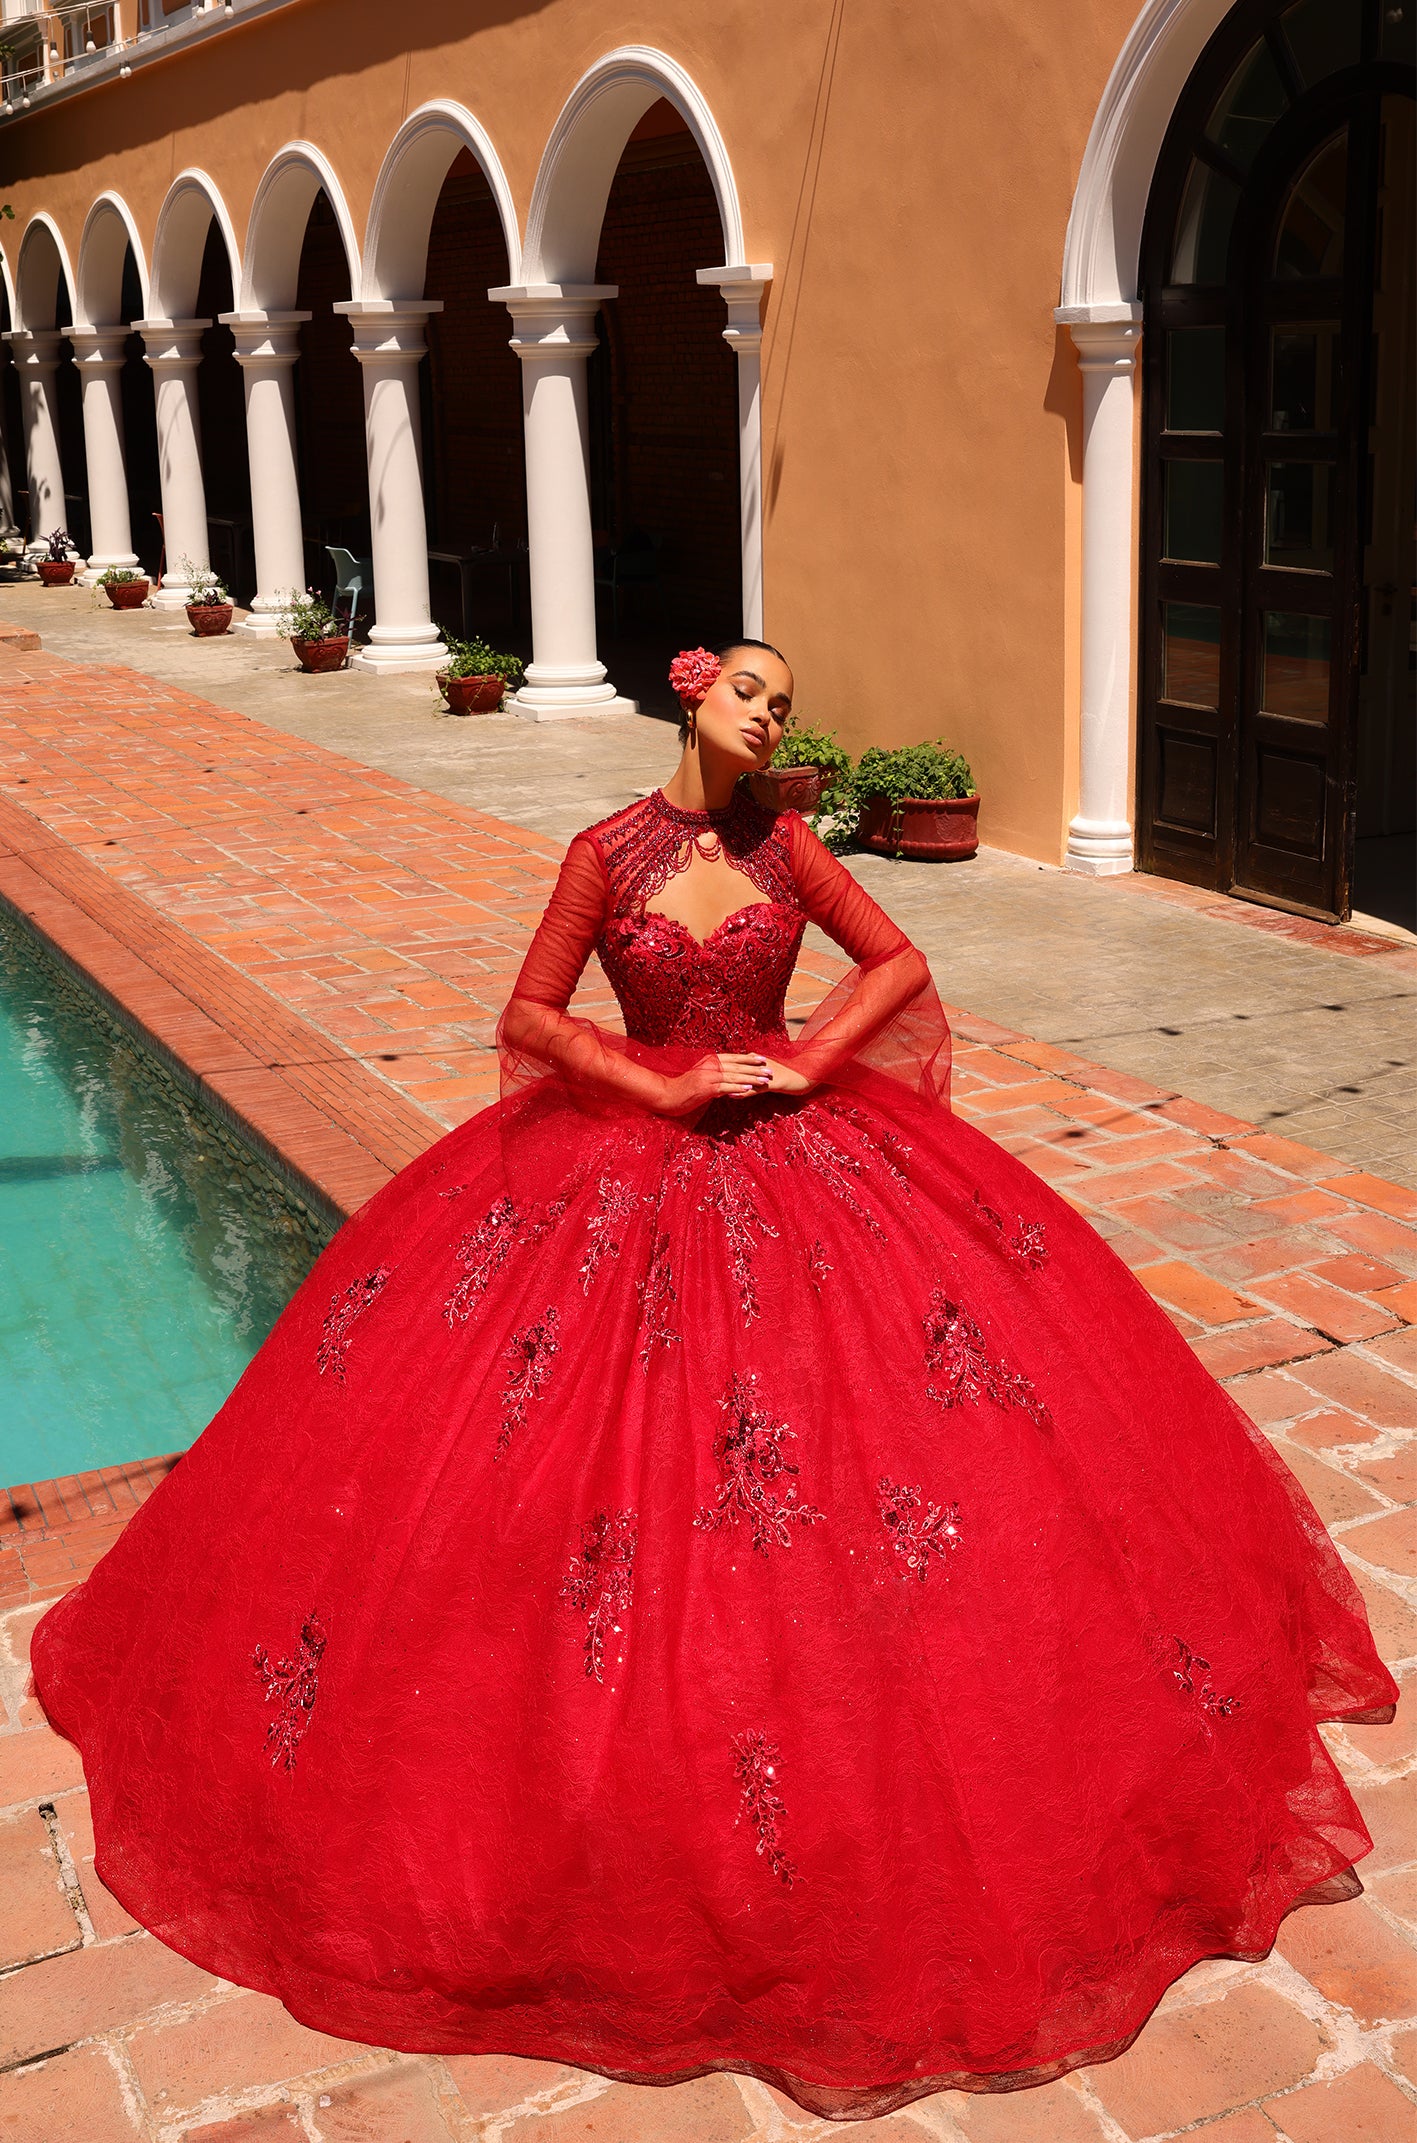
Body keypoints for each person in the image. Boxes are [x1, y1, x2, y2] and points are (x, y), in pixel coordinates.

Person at [28, 640, 1397, 2123]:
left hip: (803, 1156)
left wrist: (809, 1059)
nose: (769, 716)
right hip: (626, 1163)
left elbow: (899, 963)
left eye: (784, 704)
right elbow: (532, 1019)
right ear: (693, 698)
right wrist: (665, 1083)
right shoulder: (601, 852)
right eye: (750, 693)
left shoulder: (785, 844)